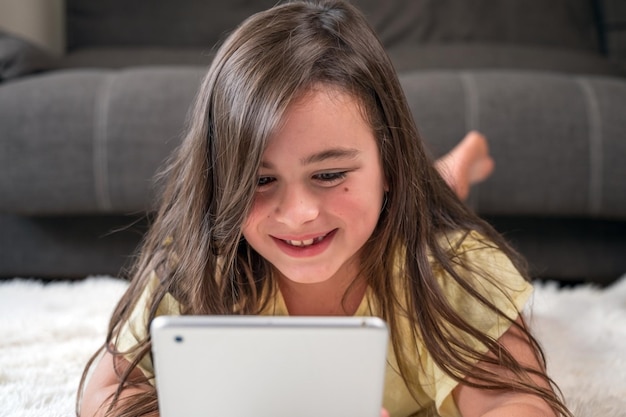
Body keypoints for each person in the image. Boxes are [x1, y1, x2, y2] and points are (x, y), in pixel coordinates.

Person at [77, 1, 571, 417]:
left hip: (414, 219)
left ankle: (460, 162)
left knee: (437, 195)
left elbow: (516, 400)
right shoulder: (196, 264)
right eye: (260, 180)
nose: (297, 214)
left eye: (330, 175)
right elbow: (105, 392)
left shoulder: (454, 267)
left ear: (391, 165)